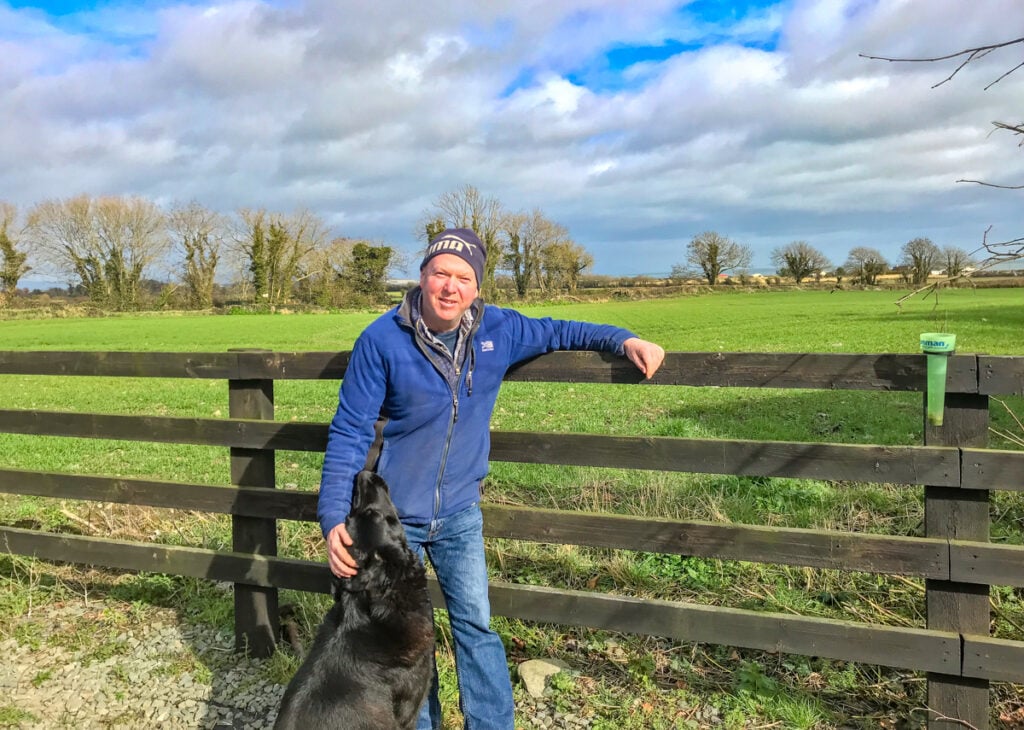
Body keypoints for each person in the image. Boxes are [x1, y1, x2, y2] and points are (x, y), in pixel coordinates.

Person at [317, 227, 665, 730]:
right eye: (441, 273)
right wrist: (333, 518)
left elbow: (562, 330)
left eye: (464, 277)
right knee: (405, 638)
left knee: (475, 627)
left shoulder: (499, 329)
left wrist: (624, 338)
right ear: (422, 277)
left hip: (460, 512)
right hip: (397, 523)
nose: (450, 287)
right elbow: (349, 430)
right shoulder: (381, 340)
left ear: (477, 286)